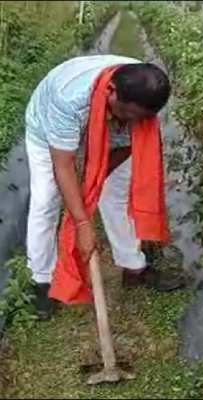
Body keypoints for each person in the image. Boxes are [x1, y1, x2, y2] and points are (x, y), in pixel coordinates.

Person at [25, 55, 181, 320]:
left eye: (139, 119)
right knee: (45, 201)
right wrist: (83, 224)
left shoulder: (144, 97)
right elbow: (62, 165)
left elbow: (129, 143)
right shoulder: (68, 98)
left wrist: (94, 181)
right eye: (127, 115)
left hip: (108, 137)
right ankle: (42, 280)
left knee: (118, 196)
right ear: (110, 91)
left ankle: (134, 267)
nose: (131, 122)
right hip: (46, 131)